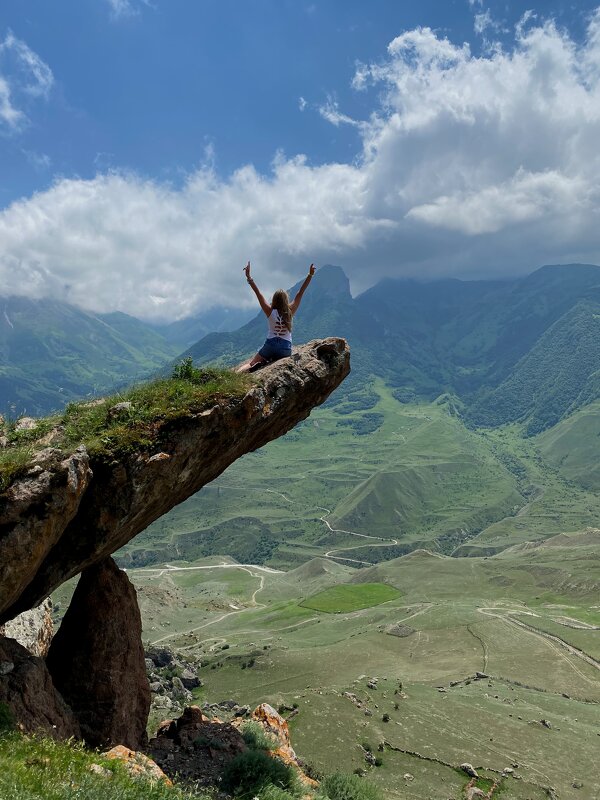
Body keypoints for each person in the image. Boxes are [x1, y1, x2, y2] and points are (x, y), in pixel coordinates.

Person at [235, 261, 316, 372]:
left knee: (252, 363)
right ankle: (270, 361)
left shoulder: (269, 311)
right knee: (278, 359)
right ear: (285, 299)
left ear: (274, 300)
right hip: (285, 348)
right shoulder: (290, 311)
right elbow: (300, 292)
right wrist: (310, 275)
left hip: (270, 344)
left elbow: (258, 293)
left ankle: (246, 370)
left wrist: (249, 277)